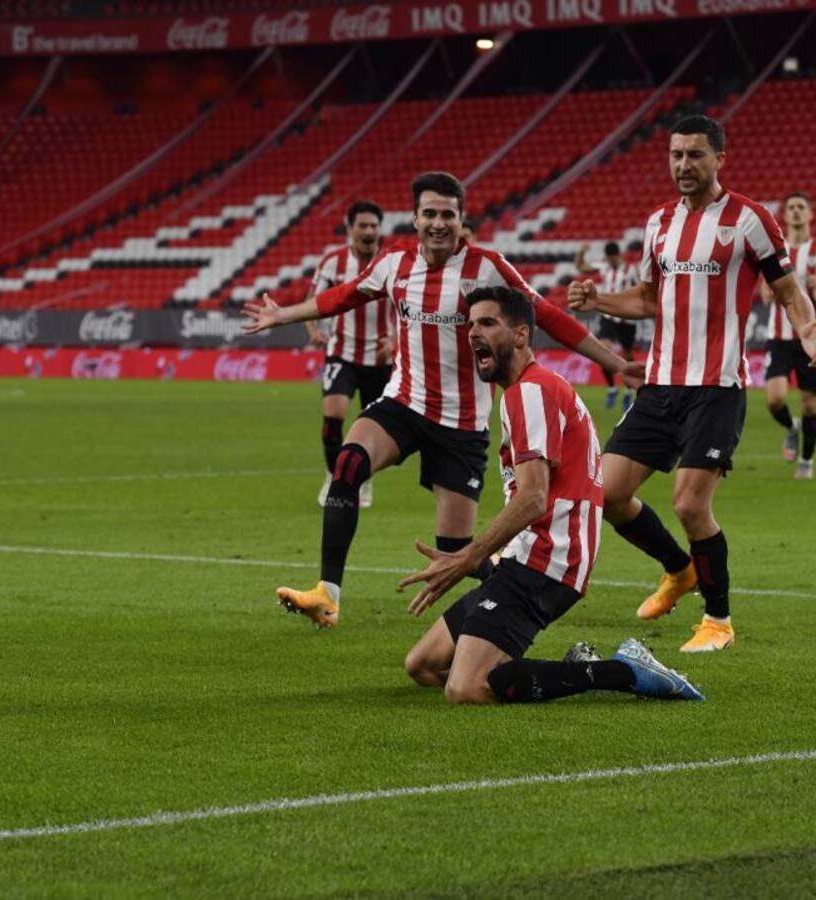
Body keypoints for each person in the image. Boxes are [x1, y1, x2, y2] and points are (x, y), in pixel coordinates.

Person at [242, 171, 639, 628]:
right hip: (405, 405)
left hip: (462, 425)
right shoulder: (394, 264)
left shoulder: (487, 267)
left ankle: (515, 601)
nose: (438, 223)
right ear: (414, 218)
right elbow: (343, 297)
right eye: (429, 213)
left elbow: (543, 314)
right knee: (348, 465)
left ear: (461, 219)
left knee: (457, 552)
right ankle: (327, 595)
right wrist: (282, 316)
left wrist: (614, 361)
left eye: (447, 214)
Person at [569, 116, 816, 653]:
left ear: (719, 160)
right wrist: (598, 301)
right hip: (661, 386)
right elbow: (646, 299)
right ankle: (678, 569)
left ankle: (718, 622)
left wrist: (806, 329)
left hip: (716, 387)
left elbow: (786, 289)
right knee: (608, 493)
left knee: (690, 504)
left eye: (695, 155)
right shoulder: (658, 224)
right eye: (676, 155)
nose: (683, 165)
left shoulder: (750, 220)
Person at [399, 286, 703, 704]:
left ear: (521, 335)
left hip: (548, 558)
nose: (473, 333)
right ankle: (535, 667)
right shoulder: (529, 390)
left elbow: (534, 497)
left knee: (466, 688)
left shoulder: (532, 391)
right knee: (423, 665)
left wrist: (470, 556)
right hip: (529, 555)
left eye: (488, 323)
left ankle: (619, 671)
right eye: (471, 325)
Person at [303, 200, 389, 509]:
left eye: (373, 226)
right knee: (333, 416)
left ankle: (362, 480)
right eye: (362, 226)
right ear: (350, 229)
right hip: (341, 352)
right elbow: (313, 301)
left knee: (373, 427)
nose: (369, 231)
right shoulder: (333, 263)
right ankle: (332, 475)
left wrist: (394, 339)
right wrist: (313, 330)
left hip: (382, 360)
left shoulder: (392, 262)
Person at [761, 192, 816, 480]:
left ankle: (807, 460)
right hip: (778, 334)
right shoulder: (775, 249)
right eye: (791, 208)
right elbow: (763, 292)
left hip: (812, 337)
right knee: (774, 399)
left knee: (810, 402)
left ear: (810, 215)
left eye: (801, 207)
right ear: (784, 216)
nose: (796, 212)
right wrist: (768, 289)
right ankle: (791, 427)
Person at [574, 240, 640, 411]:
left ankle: (627, 392)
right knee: (603, 349)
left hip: (626, 318)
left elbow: (641, 289)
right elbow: (582, 267)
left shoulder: (631, 271)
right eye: (608, 259)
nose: (609, 262)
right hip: (608, 316)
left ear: (617, 255)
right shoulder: (604, 267)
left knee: (627, 356)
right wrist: (581, 252)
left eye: (611, 259)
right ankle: (611, 388)